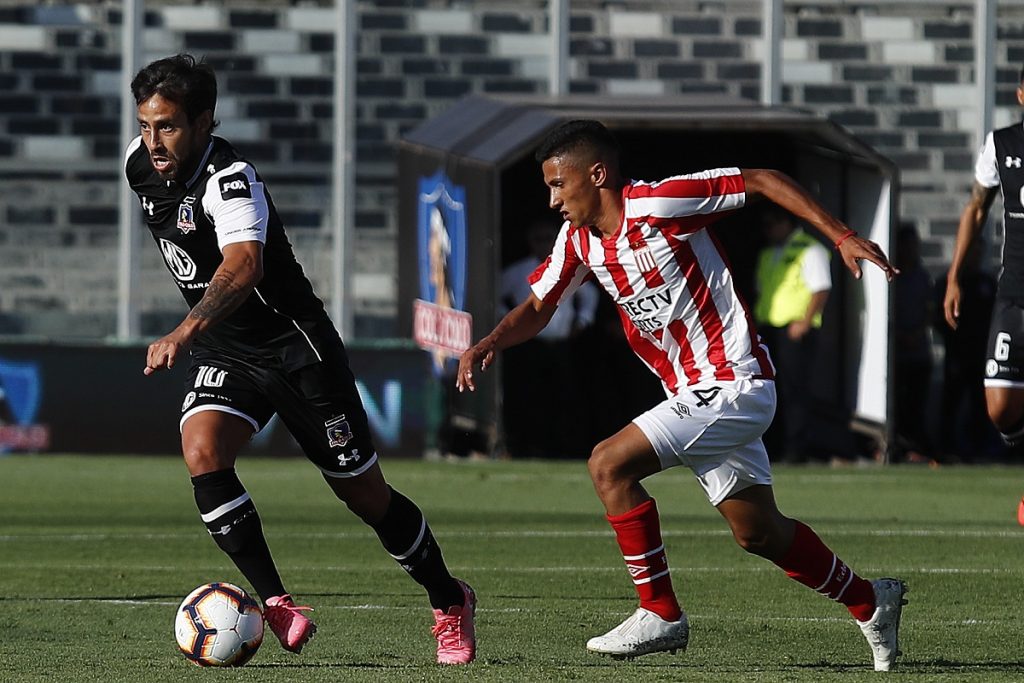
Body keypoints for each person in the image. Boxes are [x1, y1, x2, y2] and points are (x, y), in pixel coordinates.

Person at [456, 120, 907, 671]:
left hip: (735, 383)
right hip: (693, 394)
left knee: (608, 465)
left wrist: (839, 235)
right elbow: (541, 305)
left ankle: (660, 611)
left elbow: (762, 179)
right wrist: (492, 342)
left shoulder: (660, 204)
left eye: (558, 184)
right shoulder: (577, 240)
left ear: (596, 175)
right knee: (759, 532)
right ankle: (870, 601)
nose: (552, 200)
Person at [124, 54, 475, 664]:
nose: (153, 141)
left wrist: (182, 330)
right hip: (227, 348)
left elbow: (243, 266)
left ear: (204, 121)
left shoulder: (231, 178)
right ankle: (277, 603)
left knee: (365, 497)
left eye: (169, 127)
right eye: (146, 125)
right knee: (203, 451)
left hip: (295, 351)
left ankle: (449, 600)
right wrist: (199, 334)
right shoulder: (140, 164)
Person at [945, 65, 1024, 522]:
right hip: (1014, 292)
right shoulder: (1002, 144)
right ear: (1020, 95)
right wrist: (955, 274)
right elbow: (976, 208)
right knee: (1000, 406)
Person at [500, 220, 598, 457]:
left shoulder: (566, 267)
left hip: (560, 345)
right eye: (538, 239)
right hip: (530, 345)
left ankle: (562, 446)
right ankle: (529, 446)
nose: (543, 244)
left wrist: (582, 320)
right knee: (529, 397)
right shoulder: (518, 272)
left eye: (548, 239)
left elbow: (589, 295)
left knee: (563, 397)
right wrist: (512, 324)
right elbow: (496, 298)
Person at [753, 205, 831, 462]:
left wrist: (805, 322)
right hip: (770, 329)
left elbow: (820, 288)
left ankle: (796, 449)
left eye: (771, 224)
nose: (767, 231)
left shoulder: (810, 249)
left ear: (786, 223)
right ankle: (774, 446)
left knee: (795, 390)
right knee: (768, 391)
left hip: (794, 329)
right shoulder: (768, 253)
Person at [934, 239, 1000, 462]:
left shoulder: (986, 283)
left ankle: (979, 447)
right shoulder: (950, 283)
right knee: (952, 400)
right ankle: (946, 448)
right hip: (958, 352)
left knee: (981, 403)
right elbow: (939, 318)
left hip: (982, 353)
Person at [891, 225, 934, 462]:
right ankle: (900, 447)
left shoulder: (922, 277)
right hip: (897, 355)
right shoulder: (894, 276)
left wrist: (916, 334)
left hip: (919, 353)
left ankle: (918, 448)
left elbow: (930, 311)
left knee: (917, 405)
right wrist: (899, 335)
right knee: (899, 406)